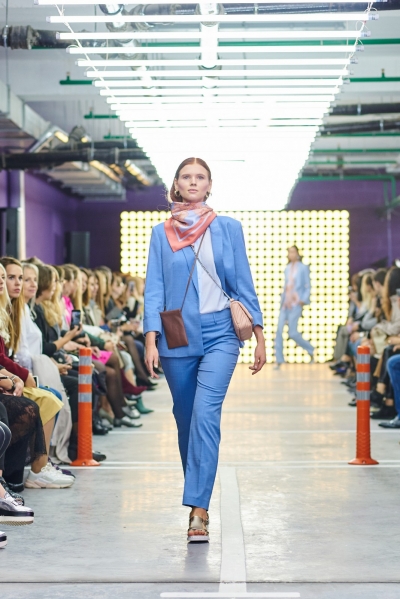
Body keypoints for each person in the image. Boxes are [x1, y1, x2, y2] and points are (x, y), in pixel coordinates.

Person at [144, 157, 266, 542]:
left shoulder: (228, 228)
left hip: (221, 334)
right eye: (186, 176)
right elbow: (154, 287)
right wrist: (150, 337)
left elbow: (243, 281)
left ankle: (198, 510)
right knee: (186, 420)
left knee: (204, 414)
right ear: (176, 185)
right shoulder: (161, 233)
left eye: (200, 177)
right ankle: (198, 494)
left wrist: (260, 334)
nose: (193, 182)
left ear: (209, 185)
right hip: (177, 333)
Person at [274, 245, 314, 368]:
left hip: (296, 304)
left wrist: (303, 300)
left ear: (297, 253)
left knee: (292, 333)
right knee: (279, 330)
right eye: (289, 252)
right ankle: (279, 359)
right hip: (285, 304)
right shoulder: (287, 268)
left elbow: (307, 285)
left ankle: (310, 349)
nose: (291, 254)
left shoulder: (303, 268)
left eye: (293, 252)